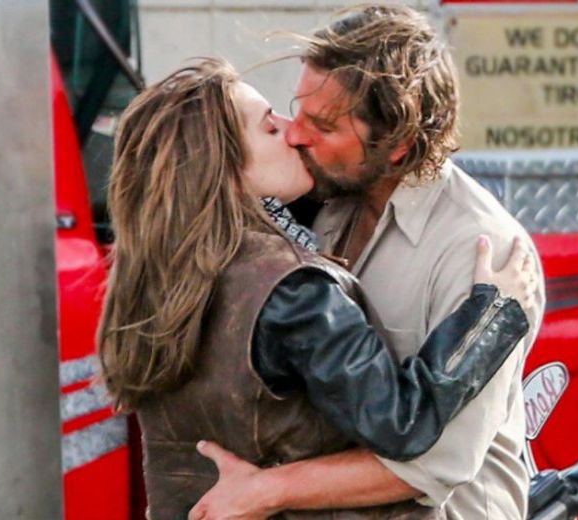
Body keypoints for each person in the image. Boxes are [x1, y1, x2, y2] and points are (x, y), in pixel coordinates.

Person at [98, 58, 536, 520]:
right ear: (224, 168)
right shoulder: (290, 290)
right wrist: (494, 316)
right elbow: (402, 424)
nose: (292, 133)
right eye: (270, 128)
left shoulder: (155, 274)